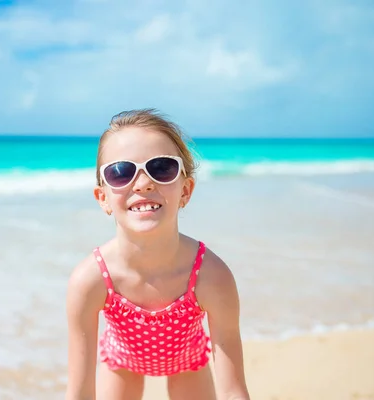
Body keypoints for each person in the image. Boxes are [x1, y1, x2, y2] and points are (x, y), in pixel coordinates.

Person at [65, 109, 250, 400]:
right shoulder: (90, 280)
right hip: (121, 362)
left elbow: (233, 391)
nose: (142, 184)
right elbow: (79, 394)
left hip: (188, 361)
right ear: (103, 198)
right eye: (121, 172)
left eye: (162, 168)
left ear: (186, 190)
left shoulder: (210, 275)